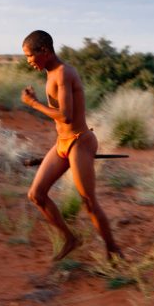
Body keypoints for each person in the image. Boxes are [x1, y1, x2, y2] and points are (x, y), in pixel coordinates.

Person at [20, 30, 121, 261]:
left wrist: (33, 103)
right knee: (36, 194)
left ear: (44, 51)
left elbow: (66, 116)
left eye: (29, 55)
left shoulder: (64, 72)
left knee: (88, 203)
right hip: (62, 144)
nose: (28, 61)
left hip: (79, 143)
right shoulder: (51, 73)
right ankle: (70, 238)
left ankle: (113, 250)